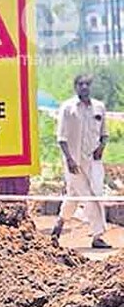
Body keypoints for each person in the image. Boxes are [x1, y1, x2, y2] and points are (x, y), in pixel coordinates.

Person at [53, 74, 111, 249]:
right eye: (80, 84)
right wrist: (69, 159)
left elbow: (104, 134)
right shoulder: (68, 108)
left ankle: (59, 224)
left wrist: (102, 147)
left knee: (77, 195)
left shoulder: (99, 108)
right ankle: (97, 235)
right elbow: (61, 138)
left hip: (93, 161)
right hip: (74, 162)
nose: (84, 87)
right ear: (75, 87)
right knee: (89, 194)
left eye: (87, 84)